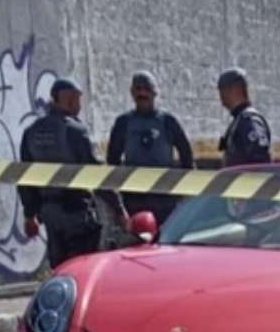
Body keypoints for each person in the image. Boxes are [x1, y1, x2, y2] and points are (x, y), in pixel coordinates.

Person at [19, 78, 129, 269]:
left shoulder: (31, 132)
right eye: (77, 100)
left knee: (59, 270)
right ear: (69, 100)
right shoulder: (75, 131)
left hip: (50, 214)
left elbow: (26, 178)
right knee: (83, 269)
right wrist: (119, 210)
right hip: (77, 213)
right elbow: (97, 174)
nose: (79, 105)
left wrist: (30, 215)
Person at [107, 71, 195, 224]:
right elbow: (112, 161)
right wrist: (117, 204)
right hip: (134, 200)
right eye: (138, 89)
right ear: (132, 93)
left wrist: (184, 193)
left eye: (146, 88)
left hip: (164, 199)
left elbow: (186, 156)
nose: (142, 93)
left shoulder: (168, 121)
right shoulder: (123, 122)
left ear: (155, 92)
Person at [217, 67, 272, 168]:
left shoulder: (250, 121)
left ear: (234, 89)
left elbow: (260, 161)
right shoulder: (238, 121)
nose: (220, 96)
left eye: (222, 89)